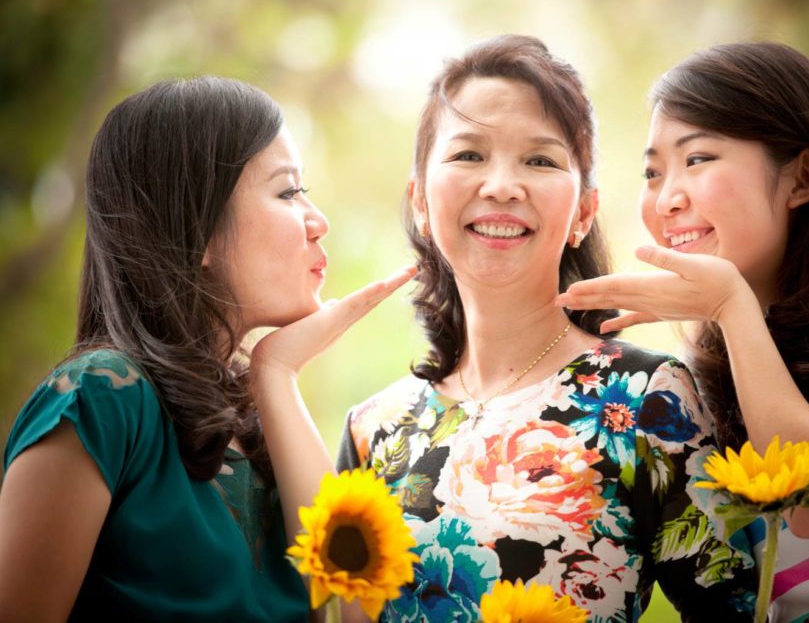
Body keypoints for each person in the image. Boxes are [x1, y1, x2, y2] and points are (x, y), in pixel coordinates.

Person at [336, 35, 755, 622]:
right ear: (421, 204)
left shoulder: (649, 396)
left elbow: (735, 609)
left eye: (540, 160)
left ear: (584, 211)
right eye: (468, 155)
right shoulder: (375, 430)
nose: (502, 185)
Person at [556, 41, 809, 621]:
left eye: (698, 159)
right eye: (653, 172)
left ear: (801, 178)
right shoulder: (705, 369)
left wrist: (730, 305)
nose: (667, 197)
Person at [0, 76, 414, 621]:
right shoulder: (100, 397)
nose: (319, 221)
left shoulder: (259, 416)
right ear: (199, 229)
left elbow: (348, 604)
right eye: (288, 192)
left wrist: (277, 373)